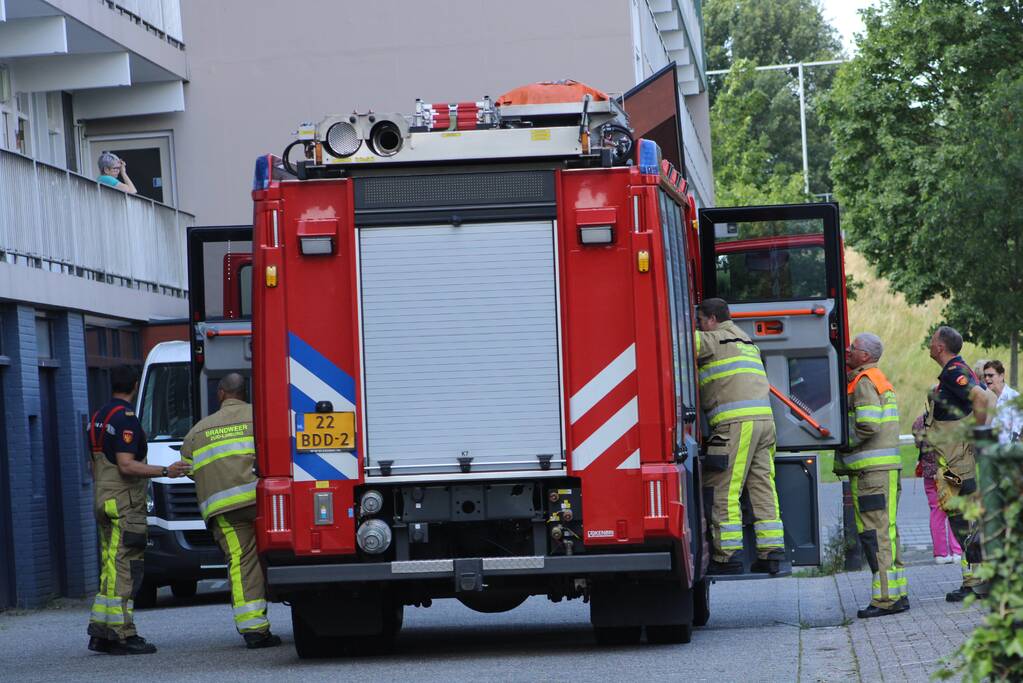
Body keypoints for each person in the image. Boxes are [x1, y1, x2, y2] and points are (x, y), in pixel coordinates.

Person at [87, 365, 190, 655]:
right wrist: (166, 470)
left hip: (103, 499)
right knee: (125, 568)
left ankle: (101, 632)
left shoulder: (99, 417)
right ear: (134, 385)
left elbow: (95, 463)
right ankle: (122, 634)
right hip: (123, 504)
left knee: (109, 567)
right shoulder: (126, 419)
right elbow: (126, 464)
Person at [180, 373, 281, 649]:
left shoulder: (200, 430)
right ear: (244, 392)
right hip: (265, 505)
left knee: (241, 561)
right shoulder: (261, 417)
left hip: (225, 510)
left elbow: (188, 467)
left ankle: (254, 628)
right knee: (278, 556)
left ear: (221, 394)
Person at [695, 298, 785, 575]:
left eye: (699, 321)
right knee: (762, 487)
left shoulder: (712, 340)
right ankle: (772, 554)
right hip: (765, 424)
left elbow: (673, 341)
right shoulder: (746, 340)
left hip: (736, 425)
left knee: (724, 487)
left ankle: (728, 556)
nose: (699, 326)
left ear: (711, 319)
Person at [834, 333, 907, 617]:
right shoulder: (876, 378)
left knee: (875, 535)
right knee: (887, 531)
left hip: (872, 474)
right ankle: (897, 594)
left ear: (865, 356)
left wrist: (842, 440)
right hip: (882, 471)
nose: (848, 351)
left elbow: (867, 424)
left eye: (853, 348)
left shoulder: (864, 381)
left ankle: (885, 599)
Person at [925, 326, 989, 602]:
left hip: (958, 464)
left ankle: (977, 582)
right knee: (960, 515)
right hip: (953, 462)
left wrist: (974, 430)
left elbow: (982, 397)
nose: (929, 345)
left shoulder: (954, 372)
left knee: (962, 517)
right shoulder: (953, 372)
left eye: (931, 342)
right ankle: (974, 580)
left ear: (940, 347)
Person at [913, 413, 962, 564]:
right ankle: (957, 551)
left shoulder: (919, 421)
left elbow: (917, 444)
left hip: (929, 473)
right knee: (954, 510)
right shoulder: (947, 418)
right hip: (948, 472)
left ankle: (940, 554)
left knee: (936, 511)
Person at [982, 360, 1021, 444]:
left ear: (1001, 376)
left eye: (990, 375)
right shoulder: (983, 396)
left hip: (1007, 451)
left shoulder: (1014, 397)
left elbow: (1017, 429)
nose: (986, 378)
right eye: (985, 376)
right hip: (987, 450)